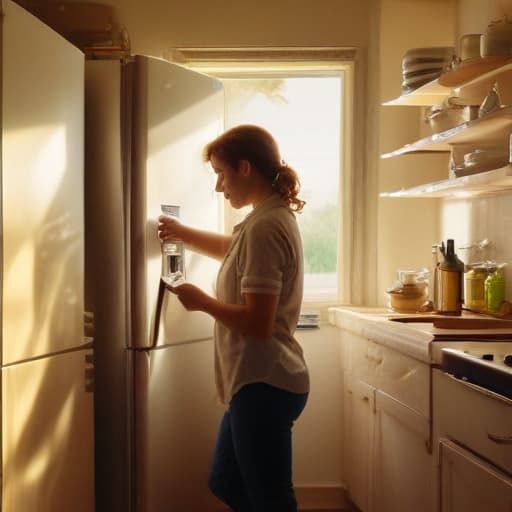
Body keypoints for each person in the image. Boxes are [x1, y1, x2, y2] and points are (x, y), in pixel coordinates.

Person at [157, 124, 310, 512]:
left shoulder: (265, 226)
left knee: (270, 498)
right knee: (226, 479)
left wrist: (201, 302)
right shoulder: (267, 217)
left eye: (221, 174)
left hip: (265, 384)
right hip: (260, 383)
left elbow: (259, 323)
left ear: (245, 168)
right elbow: (235, 250)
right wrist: (183, 233)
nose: (218, 187)